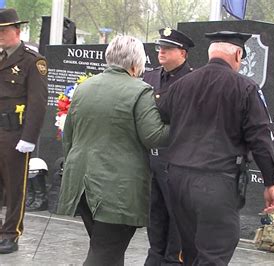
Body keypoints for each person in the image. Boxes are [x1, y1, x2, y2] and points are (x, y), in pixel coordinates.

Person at [158, 31, 274, 265]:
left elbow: (162, 115)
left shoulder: (181, 85)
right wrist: (270, 183)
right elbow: (260, 139)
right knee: (215, 253)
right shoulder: (246, 88)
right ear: (237, 54)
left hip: (178, 180)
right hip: (216, 182)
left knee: (192, 252)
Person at [56, 35, 169, 266]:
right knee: (105, 253)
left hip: (81, 184)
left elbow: (68, 136)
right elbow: (153, 136)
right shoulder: (140, 90)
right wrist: (185, 124)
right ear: (136, 65)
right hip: (117, 189)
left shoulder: (84, 88)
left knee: (107, 251)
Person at [144, 27, 194, 266]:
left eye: (168, 48)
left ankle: (173, 259)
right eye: (159, 47)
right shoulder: (150, 77)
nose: (161, 52)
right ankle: (155, 256)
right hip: (151, 159)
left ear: (183, 53)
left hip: (177, 158)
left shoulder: (192, 80)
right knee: (155, 213)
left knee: (176, 216)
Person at [0, 8, 48, 254]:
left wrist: (29, 138)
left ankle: (11, 233)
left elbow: (38, 102)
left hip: (14, 133)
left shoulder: (31, 60)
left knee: (15, 186)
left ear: (17, 31)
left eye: (4, 30)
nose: (0, 34)